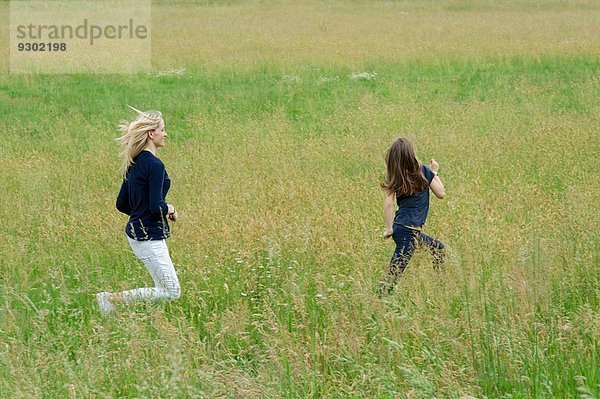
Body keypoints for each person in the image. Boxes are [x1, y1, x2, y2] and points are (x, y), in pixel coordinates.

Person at [96, 106, 181, 315]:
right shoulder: (155, 165)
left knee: (163, 287)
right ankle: (110, 299)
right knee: (172, 291)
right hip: (150, 237)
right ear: (152, 134)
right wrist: (169, 208)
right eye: (162, 129)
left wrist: (139, 213)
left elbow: (122, 204)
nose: (165, 134)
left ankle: (152, 316)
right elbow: (156, 207)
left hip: (136, 234)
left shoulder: (133, 162)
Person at [380, 137, 446, 294]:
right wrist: (434, 173)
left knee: (438, 248)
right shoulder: (424, 171)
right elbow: (441, 193)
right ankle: (379, 300)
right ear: (411, 154)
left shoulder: (396, 175)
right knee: (392, 277)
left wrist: (389, 229)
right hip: (408, 232)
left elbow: (389, 203)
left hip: (404, 230)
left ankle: (440, 288)